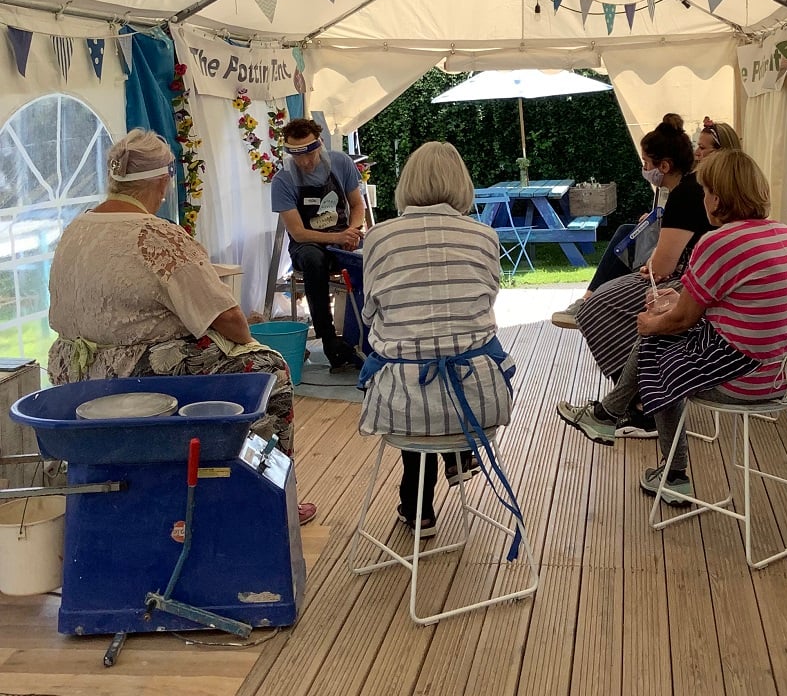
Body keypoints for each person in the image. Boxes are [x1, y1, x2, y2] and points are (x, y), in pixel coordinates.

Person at [46, 129, 317, 525]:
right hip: (135, 376)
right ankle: (264, 498)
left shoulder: (76, 228)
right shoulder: (155, 235)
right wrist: (248, 342)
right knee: (267, 369)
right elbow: (228, 318)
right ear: (160, 181)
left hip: (72, 373)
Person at [633, 149, 787, 501]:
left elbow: (683, 318)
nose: (703, 199)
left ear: (717, 197)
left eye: (705, 191)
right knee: (672, 341)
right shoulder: (785, 234)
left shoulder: (718, 242)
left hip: (748, 378)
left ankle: (674, 474)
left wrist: (650, 324)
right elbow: (732, 301)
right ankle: (613, 410)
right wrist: (674, 306)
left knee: (655, 353)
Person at [356, 142, 514, 538]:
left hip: (402, 405)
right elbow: (486, 301)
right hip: (482, 401)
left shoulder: (379, 237)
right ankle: (459, 453)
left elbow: (370, 313)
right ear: (462, 184)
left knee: (410, 374)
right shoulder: (485, 236)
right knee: (446, 358)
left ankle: (418, 509)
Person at [555, 114, 714, 441]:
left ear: (664, 166)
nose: (644, 169)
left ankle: (639, 406)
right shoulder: (684, 191)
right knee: (620, 269)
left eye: (646, 163)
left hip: (687, 283)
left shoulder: (685, 194)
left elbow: (663, 268)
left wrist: (649, 265)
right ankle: (631, 404)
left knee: (600, 307)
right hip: (695, 280)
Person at [551, 114, 739, 330]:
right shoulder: (707, 189)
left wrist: (653, 262)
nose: (697, 153)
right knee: (628, 232)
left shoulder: (688, 192)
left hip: (693, 277)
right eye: (697, 146)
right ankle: (588, 301)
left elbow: (664, 266)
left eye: (704, 148)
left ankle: (590, 306)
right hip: (704, 273)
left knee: (607, 298)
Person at [270, 117, 366, 370]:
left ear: (320, 144)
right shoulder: (283, 180)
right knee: (314, 260)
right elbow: (299, 233)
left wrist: (353, 231)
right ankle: (329, 339)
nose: (305, 161)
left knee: (373, 255)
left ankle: (369, 334)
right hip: (309, 244)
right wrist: (337, 237)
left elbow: (357, 206)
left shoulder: (341, 163)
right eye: (296, 155)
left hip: (343, 236)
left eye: (310, 153)